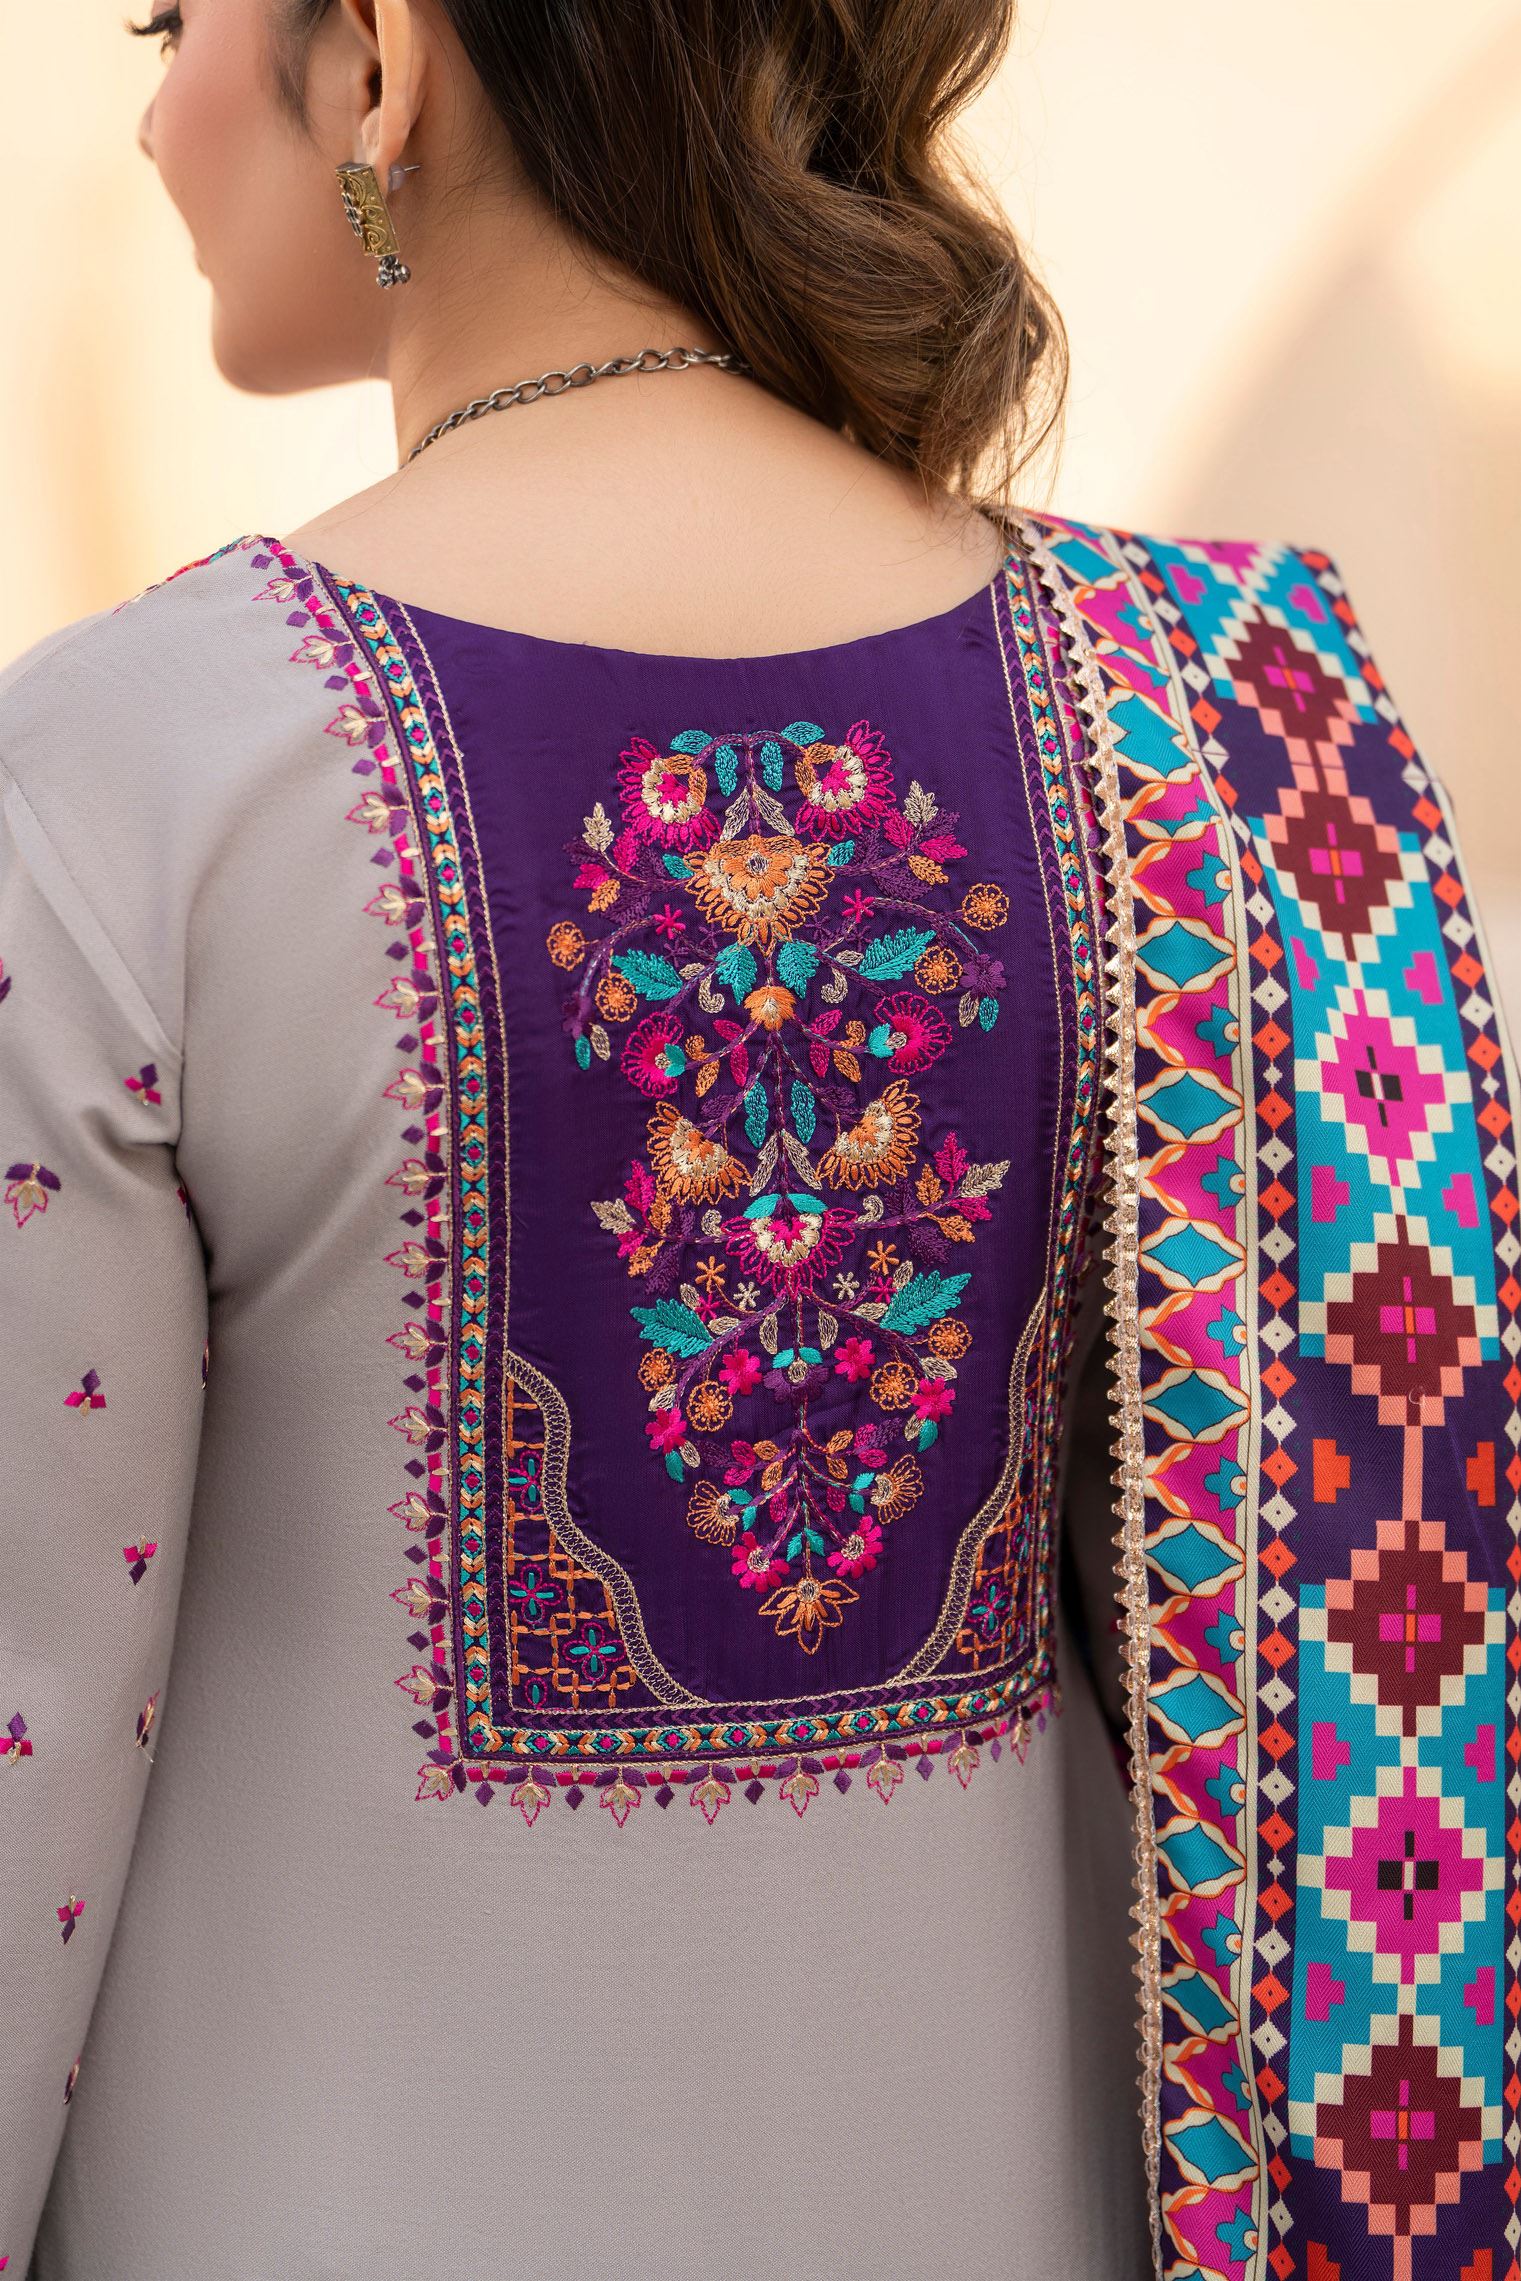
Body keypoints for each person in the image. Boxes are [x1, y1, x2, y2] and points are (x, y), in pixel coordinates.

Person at [0, 3, 1513, 2277]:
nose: (150, 108)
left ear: (383, 62)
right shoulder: (1224, 739)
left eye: (170, 18)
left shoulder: (124, 773)